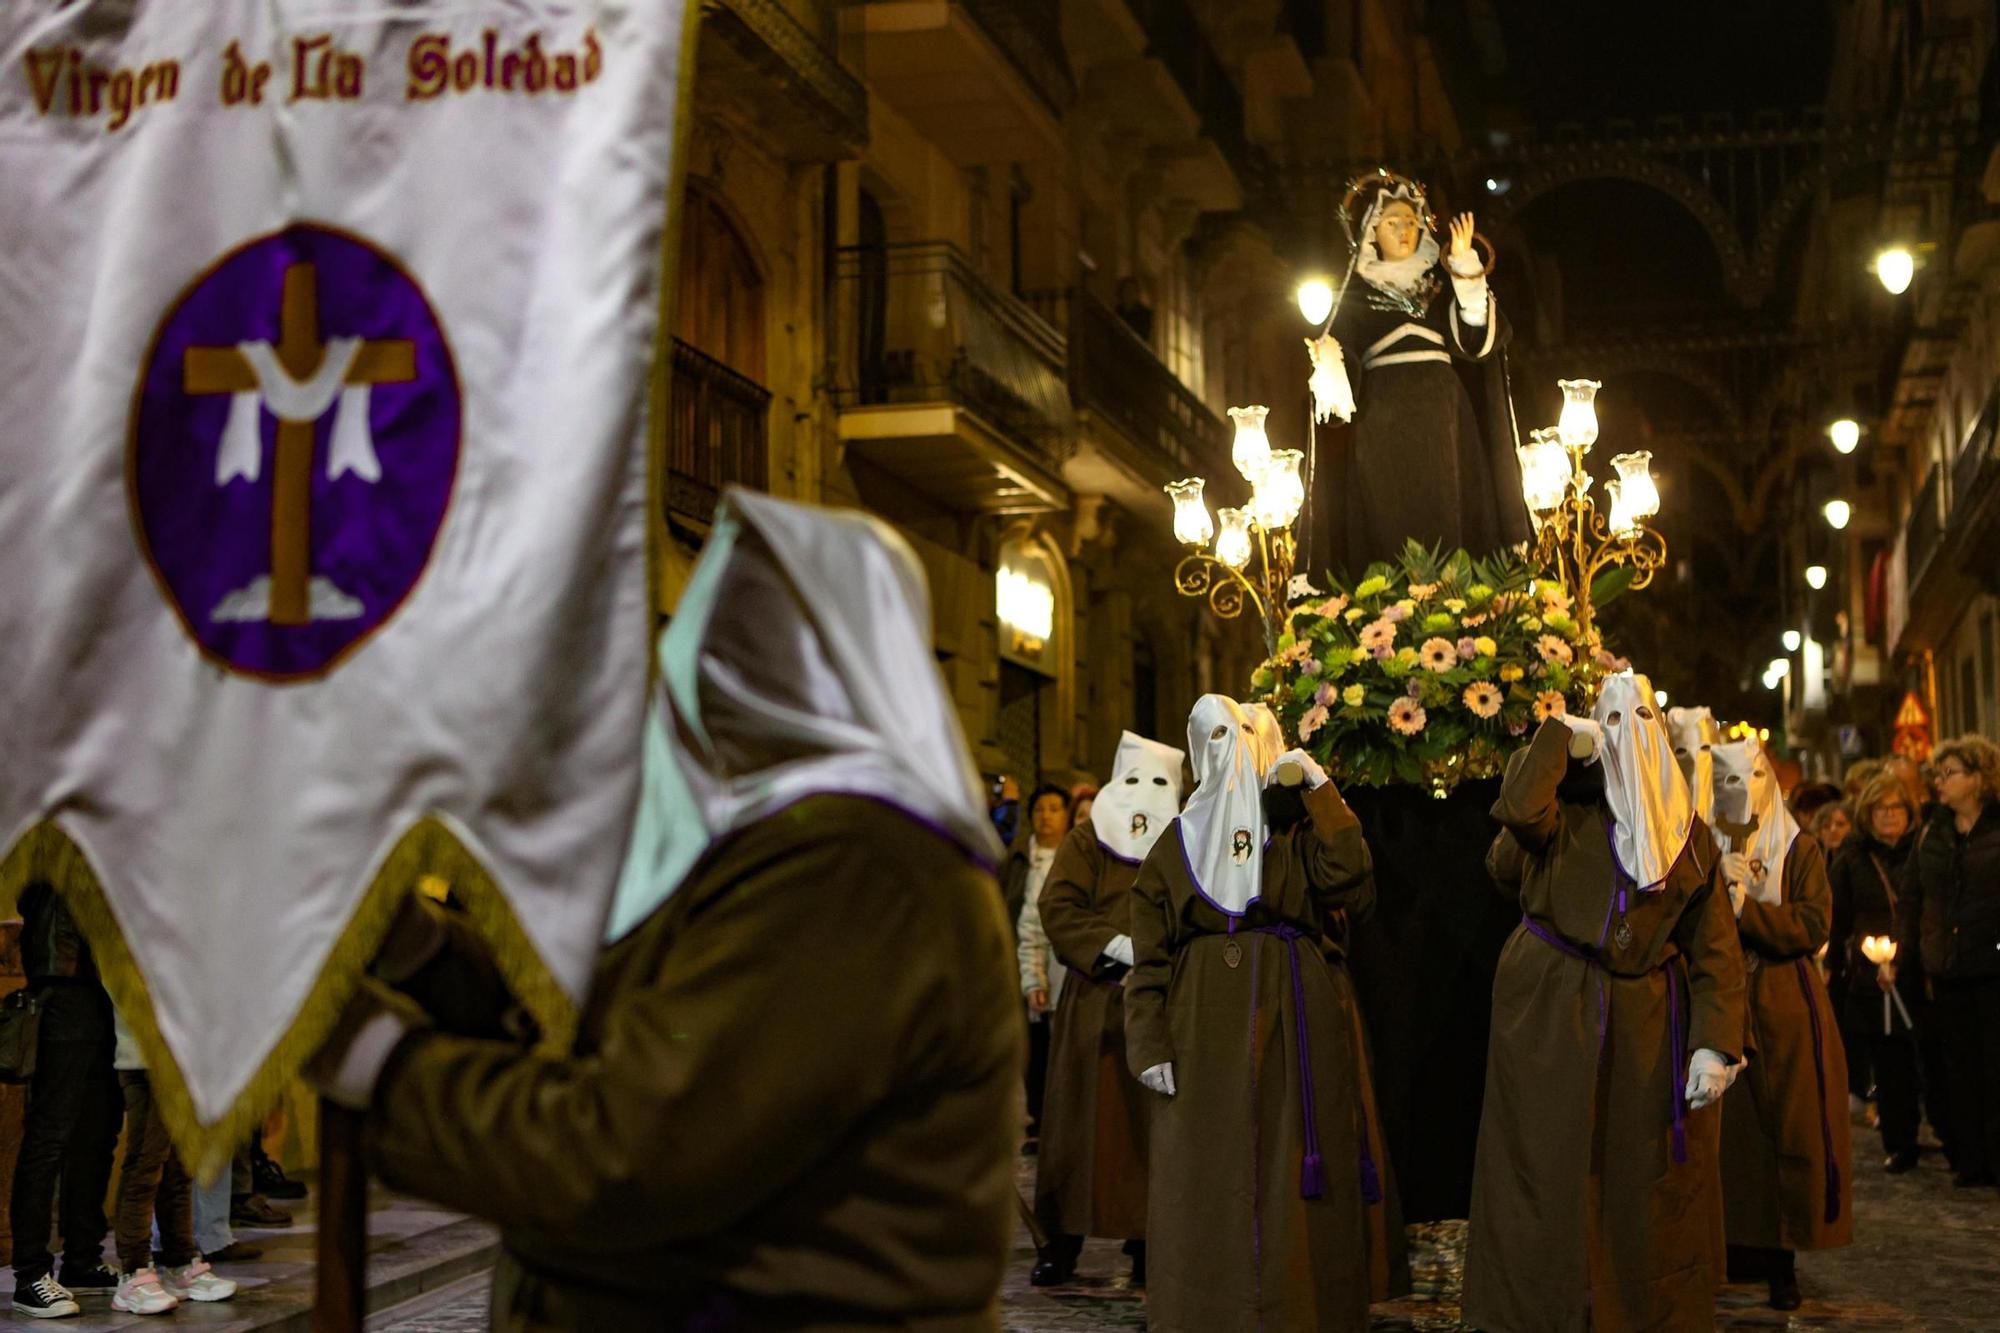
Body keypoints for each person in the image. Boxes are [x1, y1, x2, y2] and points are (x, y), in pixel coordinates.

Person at [310, 490, 1023, 1329]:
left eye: (718, 625)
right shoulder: (793, 839)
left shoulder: (854, 866)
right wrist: (425, 953)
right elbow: (626, 1027)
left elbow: (627, 1152)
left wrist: (382, 1065)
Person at [1465, 673, 1747, 1333]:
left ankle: (1632, 1310)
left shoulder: (1687, 833)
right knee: (1544, 1166)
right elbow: (1514, 823)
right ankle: (1536, 1309)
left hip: (1646, 1019)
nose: (1622, 738)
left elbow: (1715, 946)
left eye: (1635, 720)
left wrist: (1714, 1041)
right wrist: (1560, 739)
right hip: (1549, 1011)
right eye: (1607, 722)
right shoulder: (1561, 809)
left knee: (1638, 1179)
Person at [1125, 694, 1387, 1332]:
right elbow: (1149, 955)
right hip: (1201, 1028)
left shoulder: (1296, 836)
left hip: (1296, 1018)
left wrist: (1317, 787)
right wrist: (1149, 1042)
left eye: (1242, 732)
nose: (1233, 751)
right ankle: (1205, 1311)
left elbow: (1353, 874)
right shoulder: (1173, 845)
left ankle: (1304, 1308)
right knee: (1206, 1171)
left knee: (1291, 1170)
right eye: (1216, 737)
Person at [1309, 174, 1527, 570]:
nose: (1404, 230)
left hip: (1445, 416)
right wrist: (1330, 364)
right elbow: (1340, 379)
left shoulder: (1440, 286)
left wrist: (1464, 267)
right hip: (1384, 418)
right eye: (1392, 222)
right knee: (1389, 515)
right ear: (1372, 229)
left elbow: (1477, 344)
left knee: (1450, 504)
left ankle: (1457, 597)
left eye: (1411, 221)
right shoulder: (1353, 296)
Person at [1027, 734, 1182, 1288]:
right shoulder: (1088, 838)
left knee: (1147, 1131)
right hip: (1096, 999)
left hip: (1161, 999)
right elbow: (1057, 905)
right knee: (1078, 1128)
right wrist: (1114, 945)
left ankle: (1147, 1241)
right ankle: (1060, 1243)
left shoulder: (1185, 836)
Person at [1709, 736, 1852, 1310]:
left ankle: (1781, 1255)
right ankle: (1730, 1248)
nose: (1739, 794)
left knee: (1785, 1130)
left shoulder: (1800, 850)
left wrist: (1752, 913)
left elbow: (1813, 922)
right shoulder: (1700, 844)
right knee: (1726, 1140)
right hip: (1721, 999)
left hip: (1783, 1004)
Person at [9, 882, 122, 1319]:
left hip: (101, 991)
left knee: (98, 1132)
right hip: (62, 987)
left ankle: (82, 1258)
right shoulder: (54, 832)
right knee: (50, 1135)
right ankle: (30, 1274)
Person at [1829, 774, 1948, 1173]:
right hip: (1872, 976)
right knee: (1891, 1060)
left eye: (1896, 809)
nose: (1889, 817)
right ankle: (1900, 1141)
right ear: (1867, 814)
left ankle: (1948, 1131)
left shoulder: (1923, 849)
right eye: (1881, 810)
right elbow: (1838, 917)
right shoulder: (1853, 858)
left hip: (1920, 970)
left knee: (1933, 1055)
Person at [1897, 734, 2000, 1190]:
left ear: (1979, 778)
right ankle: (1969, 1158)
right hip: (1948, 969)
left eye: (1950, 773)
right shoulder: (1931, 832)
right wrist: (1909, 953)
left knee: (1995, 1065)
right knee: (1957, 1068)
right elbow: (1913, 897)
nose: (1940, 782)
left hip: (1993, 968)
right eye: (1937, 774)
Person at [107, 1006, 239, 1314]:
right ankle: (134, 1271)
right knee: (145, 1163)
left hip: (185, 1053)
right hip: (147, 1053)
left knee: (179, 1167)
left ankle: (179, 1261)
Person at [1014, 783, 1074, 1146]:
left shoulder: (1075, 856)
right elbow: (1028, 924)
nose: (1046, 816)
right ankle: (1042, 1118)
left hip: (1068, 969)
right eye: (1039, 809)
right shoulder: (1021, 860)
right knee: (1039, 1051)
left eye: (1054, 808)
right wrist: (1032, 976)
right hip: (1036, 967)